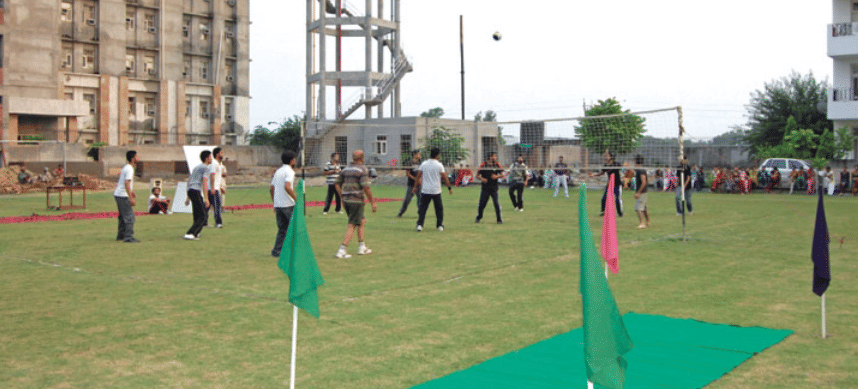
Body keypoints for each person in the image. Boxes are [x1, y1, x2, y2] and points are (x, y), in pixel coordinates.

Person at [334, 150, 377, 258]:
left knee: (361, 221)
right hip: (356, 200)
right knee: (352, 224)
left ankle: (362, 247)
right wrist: (372, 202)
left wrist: (342, 197)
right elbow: (366, 187)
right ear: (362, 158)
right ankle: (342, 250)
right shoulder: (362, 169)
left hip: (347, 200)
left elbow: (337, 183)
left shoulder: (346, 169)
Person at [414, 147, 453, 232]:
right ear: (437, 155)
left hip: (425, 190)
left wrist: (415, 187)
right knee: (439, 209)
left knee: (422, 209)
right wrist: (449, 187)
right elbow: (445, 177)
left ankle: (420, 225)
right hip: (436, 191)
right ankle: (439, 225)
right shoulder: (439, 165)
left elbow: (418, 176)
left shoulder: (424, 164)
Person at [269, 151, 297, 256]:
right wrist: (296, 199)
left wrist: (275, 203)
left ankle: (276, 251)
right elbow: (287, 187)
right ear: (292, 160)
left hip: (279, 204)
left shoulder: (278, 171)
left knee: (283, 229)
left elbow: (271, 188)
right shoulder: (290, 171)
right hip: (288, 204)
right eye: (294, 159)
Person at [184, 150, 212, 241]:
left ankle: (196, 232)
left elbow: (190, 181)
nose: (211, 159)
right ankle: (191, 233)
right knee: (203, 215)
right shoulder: (206, 168)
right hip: (196, 191)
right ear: (207, 158)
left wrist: (188, 197)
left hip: (191, 191)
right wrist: (206, 198)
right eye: (210, 157)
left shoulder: (196, 167)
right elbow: (205, 183)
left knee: (197, 213)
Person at [114, 150, 140, 243]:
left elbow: (125, 182)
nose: (138, 158)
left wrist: (132, 191)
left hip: (118, 194)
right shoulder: (130, 169)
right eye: (137, 156)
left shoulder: (127, 167)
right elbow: (126, 182)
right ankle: (128, 237)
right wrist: (131, 197)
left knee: (122, 217)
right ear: (133, 158)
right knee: (130, 217)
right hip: (122, 195)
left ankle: (121, 235)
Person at [590, 151, 622, 217]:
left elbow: (621, 167)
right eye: (605, 156)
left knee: (617, 199)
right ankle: (602, 211)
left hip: (616, 184)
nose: (606, 157)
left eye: (607, 156)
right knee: (604, 198)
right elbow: (601, 173)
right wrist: (594, 175)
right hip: (609, 184)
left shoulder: (616, 164)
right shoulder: (606, 165)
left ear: (611, 157)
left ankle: (620, 213)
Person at [475, 152, 504, 224]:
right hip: (485, 188)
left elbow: (502, 175)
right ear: (490, 157)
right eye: (494, 156)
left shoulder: (497, 165)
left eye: (496, 156)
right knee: (482, 204)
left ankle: (499, 219)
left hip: (494, 187)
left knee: (496, 204)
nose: (496, 158)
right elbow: (477, 176)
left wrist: (496, 176)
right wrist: (482, 179)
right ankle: (479, 217)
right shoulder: (483, 165)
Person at [397, 150, 422, 217]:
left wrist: (420, 179)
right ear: (415, 155)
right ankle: (401, 212)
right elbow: (408, 174)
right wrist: (415, 179)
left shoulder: (420, 163)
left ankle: (421, 214)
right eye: (419, 154)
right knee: (407, 200)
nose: (420, 155)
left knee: (420, 200)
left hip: (419, 185)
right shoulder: (409, 163)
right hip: (411, 185)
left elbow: (422, 173)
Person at [208, 147, 225, 228]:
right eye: (221, 153)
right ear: (217, 154)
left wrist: (220, 186)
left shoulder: (218, 163)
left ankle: (204, 222)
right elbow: (212, 175)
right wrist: (213, 188)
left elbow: (218, 177)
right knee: (217, 205)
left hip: (215, 188)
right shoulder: (213, 163)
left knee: (207, 207)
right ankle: (218, 223)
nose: (222, 154)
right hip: (213, 189)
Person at [633, 155, 650, 229]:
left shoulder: (641, 170)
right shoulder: (638, 170)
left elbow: (644, 182)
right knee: (644, 208)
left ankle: (642, 223)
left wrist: (638, 192)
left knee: (638, 208)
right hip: (643, 191)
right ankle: (648, 221)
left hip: (642, 192)